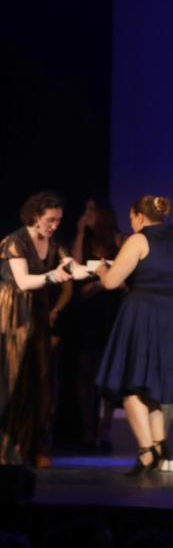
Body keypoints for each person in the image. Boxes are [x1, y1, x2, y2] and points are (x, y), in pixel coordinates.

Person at [94, 195, 173, 475]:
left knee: (131, 388)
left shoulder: (138, 240)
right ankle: (158, 446)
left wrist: (100, 268)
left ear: (139, 217)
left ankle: (146, 453)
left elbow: (111, 282)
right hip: (169, 313)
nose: (131, 223)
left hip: (142, 314)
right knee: (151, 388)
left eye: (132, 217)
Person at [0, 192, 73, 466]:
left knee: (40, 381)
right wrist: (54, 275)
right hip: (14, 315)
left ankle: (31, 446)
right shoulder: (15, 241)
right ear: (35, 217)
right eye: (50, 220)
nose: (54, 225)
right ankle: (6, 447)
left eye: (58, 221)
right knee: (13, 380)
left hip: (39, 314)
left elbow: (70, 268)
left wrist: (99, 268)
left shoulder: (53, 242)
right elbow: (23, 282)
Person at [64, 198, 124, 453]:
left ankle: (106, 428)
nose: (87, 214)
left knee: (109, 372)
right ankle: (88, 429)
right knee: (85, 372)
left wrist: (100, 283)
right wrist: (79, 230)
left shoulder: (117, 239)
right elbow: (75, 265)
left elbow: (121, 275)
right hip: (86, 313)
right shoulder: (84, 238)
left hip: (110, 309)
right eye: (85, 209)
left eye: (91, 209)